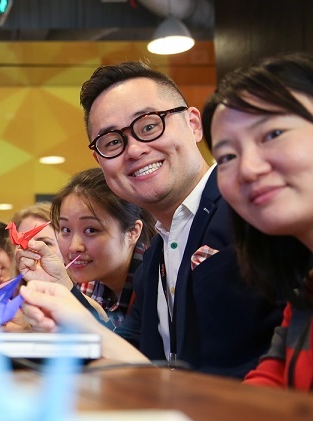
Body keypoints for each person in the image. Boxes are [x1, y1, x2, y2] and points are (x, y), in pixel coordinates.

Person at [22, 61, 282, 378]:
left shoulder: (250, 208)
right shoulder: (155, 258)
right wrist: (63, 290)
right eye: (112, 142)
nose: (134, 150)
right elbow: (129, 353)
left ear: (193, 124)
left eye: (148, 126)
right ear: (99, 161)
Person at [202, 52, 313, 389]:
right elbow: (267, 388)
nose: (248, 169)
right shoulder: (304, 289)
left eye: (273, 134)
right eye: (227, 156)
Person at [19, 168, 154, 329]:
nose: (74, 247)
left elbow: (123, 343)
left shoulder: (156, 285)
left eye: (91, 230)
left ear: (133, 232)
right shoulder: (88, 287)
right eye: (65, 229)